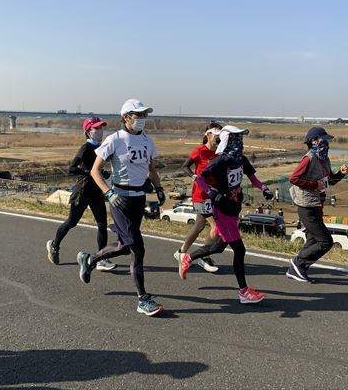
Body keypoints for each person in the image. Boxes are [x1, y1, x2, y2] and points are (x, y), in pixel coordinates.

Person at [76, 99, 165, 317]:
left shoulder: (147, 140)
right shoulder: (114, 140)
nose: (142, 119)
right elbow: (95, 171)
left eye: (144, 115)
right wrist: (109, 193)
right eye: (138, 115)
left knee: (125, 246)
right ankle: (143, 299)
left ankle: (90, 259)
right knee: (137, 247)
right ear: (126, 117)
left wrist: (159, 188)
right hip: (120, 199)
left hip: (138, 198)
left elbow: (151, 169)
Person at [178, 125, 274, 304]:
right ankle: (244, 292)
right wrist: (211, 192)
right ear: (227, 141)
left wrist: (264, 188)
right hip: (222, 210)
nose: (240, 143)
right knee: (240, 249)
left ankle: (188, 258)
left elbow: (252, 177)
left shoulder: (241, 159)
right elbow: (200, 178)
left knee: (218, 247)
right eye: (236, 139)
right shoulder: (220, 161)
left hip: (234, 208)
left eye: (241, 139)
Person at [46, 117, 115, 270]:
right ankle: (54, 245)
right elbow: (71, 169)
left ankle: (101, 258)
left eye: (101, 128)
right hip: (82, 191)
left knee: (102, 224)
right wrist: (89, 172)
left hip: (96, 191)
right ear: (88, 132)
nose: (100, 131)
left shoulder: (102, 148)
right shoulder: (85, 148)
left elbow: (95, 168)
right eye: (96, 128)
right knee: (72, 222)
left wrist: (102, 173)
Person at [287, 127, 348, 282]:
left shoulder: (324, 159)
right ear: (314, 141)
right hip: (306, 206)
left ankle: (297, 269)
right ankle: (297, 264)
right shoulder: (309, 158)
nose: (327, 143)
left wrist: (340, 174)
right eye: (324, 140)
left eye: (327, 140)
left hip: (317, 205)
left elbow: (329, 181)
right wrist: (314, 185)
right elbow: (294, 178)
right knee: (326, 241)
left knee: (313, 240)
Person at [173, 122, 223, 273]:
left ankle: (181, 252)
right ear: (208, 135)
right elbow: (185, 166)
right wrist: (194, 177)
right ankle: (203, 256)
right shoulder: (199, 151)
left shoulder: (220, 152)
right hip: (201, 195)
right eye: (216, 134)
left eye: (221, 135)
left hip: (214, 195)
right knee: (216, 227)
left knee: (199, 226)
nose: (218, 138)